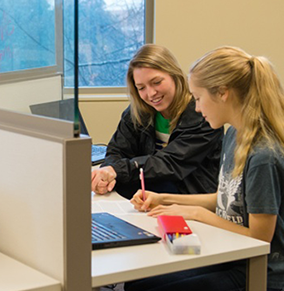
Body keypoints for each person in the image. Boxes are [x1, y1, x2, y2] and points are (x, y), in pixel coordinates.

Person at [119, 46, 284, 291]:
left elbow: (259, 237)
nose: (195, 107)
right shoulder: (235, 135)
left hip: (270, 281)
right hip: (236, 259)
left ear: (222, 93)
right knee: (140, 283)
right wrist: (164, 199)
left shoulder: (264, 154)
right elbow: (225, 198)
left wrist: (196, 213)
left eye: (198, 98)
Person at [91, 44, 223, 199]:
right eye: (141, 88)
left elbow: (169, 163)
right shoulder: (137, 113)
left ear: (174, 75)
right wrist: (105, 174)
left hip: (189, 200)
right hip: (148, 196)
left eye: (157, 82)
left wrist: (117, 170)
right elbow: (117, 151)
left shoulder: (202, 114)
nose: (151, 94)